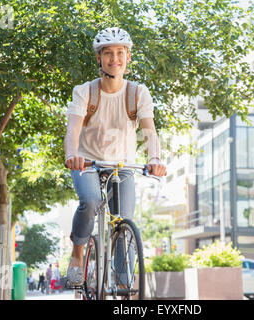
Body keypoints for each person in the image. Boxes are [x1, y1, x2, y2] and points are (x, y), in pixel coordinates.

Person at [64, 27, 167, 285]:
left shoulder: (137, 93)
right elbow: (73, 129)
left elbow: (149, 131)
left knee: (123, 224)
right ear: (99, 58)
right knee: (89, 201)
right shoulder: (85, 91)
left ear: (128, 56)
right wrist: (71, 155)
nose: (114, 59)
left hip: (122, 165)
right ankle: (78, 254)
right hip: (88, 162)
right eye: (108, 53)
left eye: (120, 52)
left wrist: (154, 158)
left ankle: (123, 284)